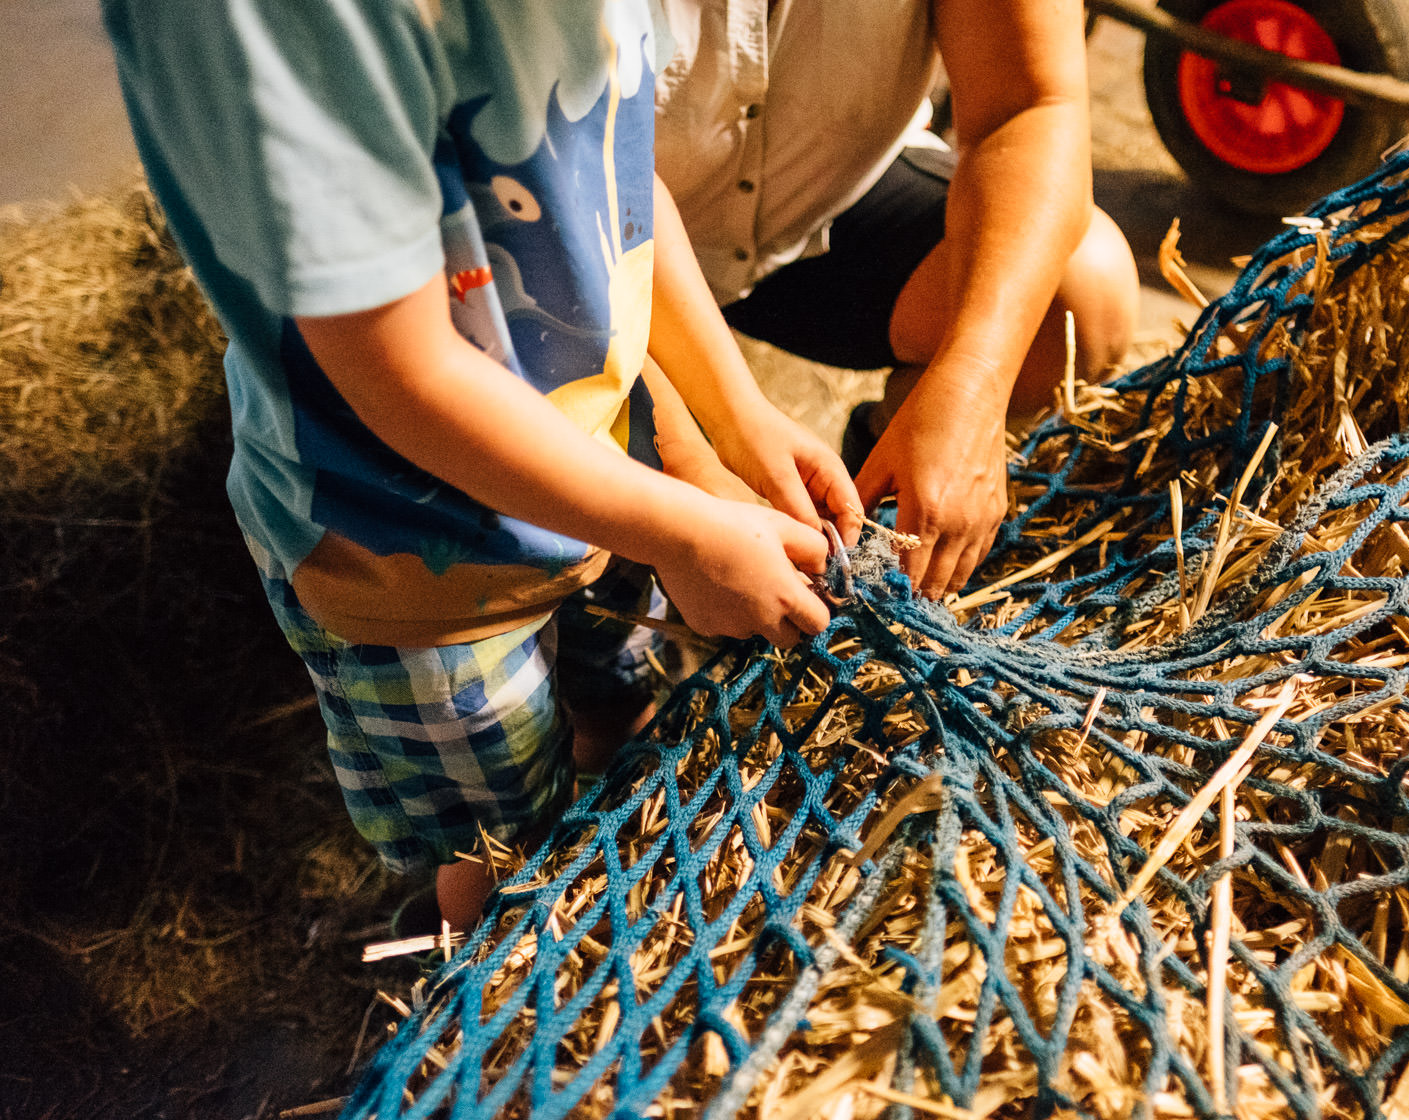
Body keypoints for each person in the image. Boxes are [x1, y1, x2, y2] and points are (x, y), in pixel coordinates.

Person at [102, 0, 862, 932]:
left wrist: (737, 420)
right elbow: (404, 374)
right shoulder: (289, 25)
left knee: (621, 696)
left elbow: (625, 179)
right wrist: (689, 533)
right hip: (412, 557)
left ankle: (613, 814)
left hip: (612, 474)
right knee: (505, 853)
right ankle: (504, 986)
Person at [654, 0, 1141, 601]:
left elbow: (1031, 105)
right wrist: (694, 458)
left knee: (1079, 295)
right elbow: (577, 199)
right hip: (608, 241)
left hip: (815, 209)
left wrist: (973, 385)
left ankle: (878, 488)